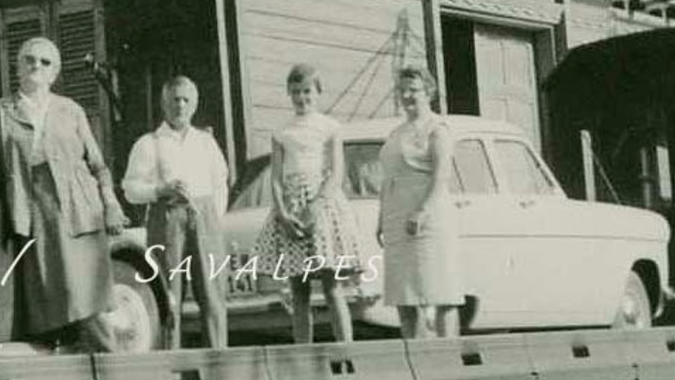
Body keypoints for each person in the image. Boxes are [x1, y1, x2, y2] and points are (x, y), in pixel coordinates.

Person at [0, 36, 127, 351]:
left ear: (54, 73)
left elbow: (97, 164)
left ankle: (114, 375)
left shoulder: (71, 110)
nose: (36, 66)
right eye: (29, 59)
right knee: (52, 307)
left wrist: (110, 203)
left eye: (45, 62)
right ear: (17, 67)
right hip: (34, 213)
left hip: (80, 212)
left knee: (90, 306)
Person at [253, 63, 361, 343]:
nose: (302, 98)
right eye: (296, 92)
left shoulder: (329, 127)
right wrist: (282, 213)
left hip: (321, 204)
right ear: (289, 94)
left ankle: (346, 353)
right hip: (290, 205)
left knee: (331, 286)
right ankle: (304, 356)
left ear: (318, 93)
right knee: (298, 290)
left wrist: (317, 205)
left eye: (307, 92)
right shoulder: (281, 131)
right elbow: (276, 177)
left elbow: (337, 172)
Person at [122, 76, 230, 350]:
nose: (180, 106)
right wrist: (160, 190)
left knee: (213, 296)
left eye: (185, 100)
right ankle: (172, 364)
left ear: (194, 104)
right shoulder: (149, 143)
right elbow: (130, 189)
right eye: (174, 100)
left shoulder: (205, 142)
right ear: (164, 104)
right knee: (169, 296)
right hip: (167, 220)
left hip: (204, 219)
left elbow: (221, 181)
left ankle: (218, 362)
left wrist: (212, 216)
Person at [378, 65, 463, 339]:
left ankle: (447, 362)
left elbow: (441, 177)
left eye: (413, 90)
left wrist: (422, 212)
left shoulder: (437, 129)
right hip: (396, 219)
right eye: (402, 90)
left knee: (439, 292)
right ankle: (417, 362)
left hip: (428, 219)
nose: (406, 96)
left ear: (428, 91)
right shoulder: (396, 132)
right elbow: (388, 177)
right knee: (405, 297)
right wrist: (381, 217)